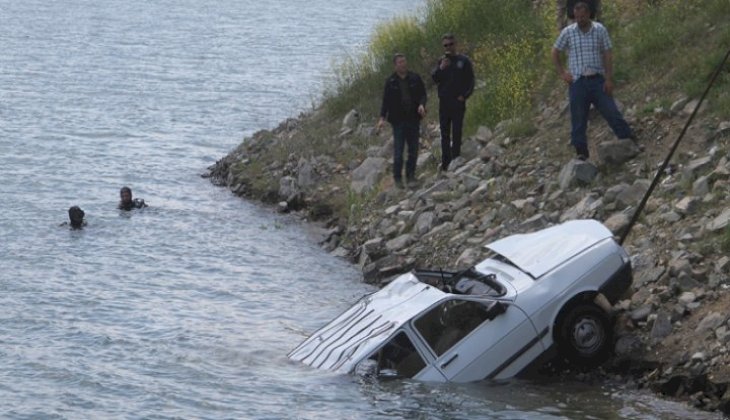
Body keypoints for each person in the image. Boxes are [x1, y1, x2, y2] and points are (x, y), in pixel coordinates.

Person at [551, 1, 633, 160]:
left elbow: (607, 53)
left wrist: (609, 79)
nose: (580, 19)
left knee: (611, 111)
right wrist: (562, 73)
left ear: (588, 14)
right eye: (577, 17)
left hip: (597, 80)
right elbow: (555, 52)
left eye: (583, 16)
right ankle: (581, 152)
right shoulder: (568, 32)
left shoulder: (599, 30)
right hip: (578, 82)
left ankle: (627, 139)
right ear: (574, 16)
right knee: (578, 118)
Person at [376, 54, 427, 188]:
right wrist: (382, 118)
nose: (403, 64)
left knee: (413, 150)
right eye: (400, 62)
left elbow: (423, 94)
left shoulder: (415, 78)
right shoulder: (391, 81)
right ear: (395, 65)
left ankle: (411, 176)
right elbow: (385, 102)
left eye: (404, 61)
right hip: (398, 121)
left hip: (413, 119)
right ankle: (397, 179)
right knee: (398, 152)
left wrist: (422, 105)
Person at [431, 34, 474, 171]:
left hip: (457, 102)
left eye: (450, 44)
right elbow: (434, 78)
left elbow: (471, 81)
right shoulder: (441, 62)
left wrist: (464, 96)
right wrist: (441, 68)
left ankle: (456, 159)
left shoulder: (463, 60)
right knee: (444, 134)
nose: (448, 47)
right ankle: (445, 163)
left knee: (457, 132)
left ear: (455, 44)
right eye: (445, 45)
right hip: (444, 103)